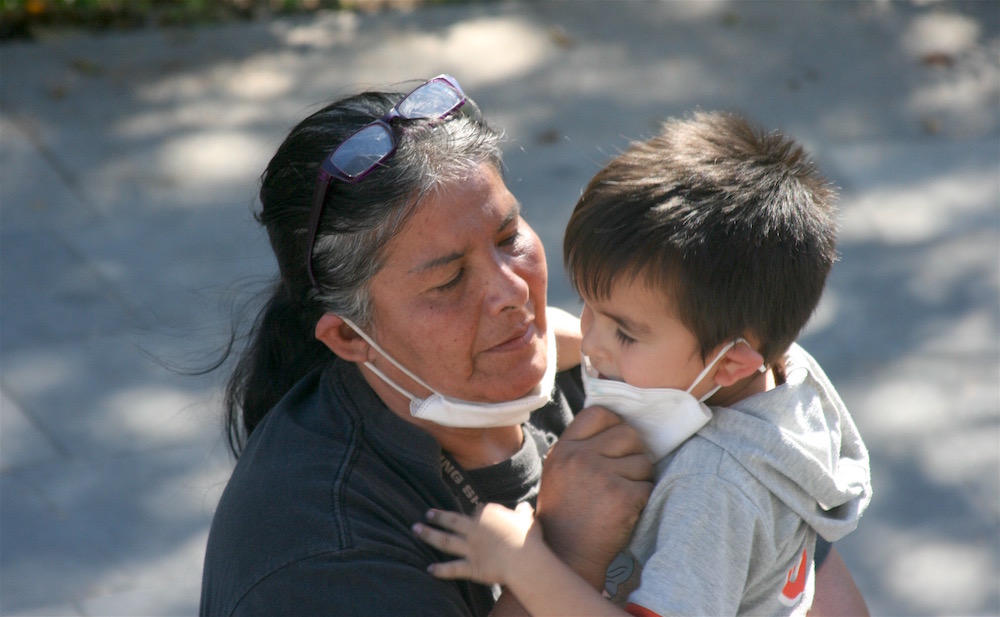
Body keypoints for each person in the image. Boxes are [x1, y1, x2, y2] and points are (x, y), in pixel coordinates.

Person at [198, 74, 868, 617]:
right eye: (449, 279)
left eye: (508, 236)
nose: (512, 293)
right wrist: (566, 548)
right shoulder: (318, 556)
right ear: (349, 336)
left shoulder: (624, 366)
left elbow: (810, 584)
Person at [413, 111, 873, 616]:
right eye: (590, 306)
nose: (591, 342)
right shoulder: (786, 376)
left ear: (730, 361)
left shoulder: (713, 489)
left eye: (625, 333)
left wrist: (525, 564)